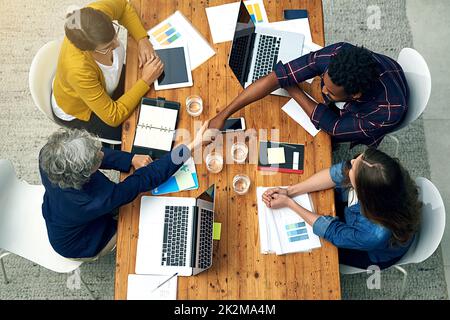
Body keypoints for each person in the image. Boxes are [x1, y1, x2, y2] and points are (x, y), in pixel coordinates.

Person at [38, 122, 208, 260]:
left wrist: (130, 158)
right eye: (98, 157)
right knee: (139, 225)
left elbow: (88, 154)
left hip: (60, 211)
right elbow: (144, 178)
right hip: (82, 241)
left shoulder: (50, 155)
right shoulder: (99, 199)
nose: (101, 154)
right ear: (86, 173)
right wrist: (190, 147)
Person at [209, 42, 409, 147]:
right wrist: (222, 115)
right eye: (324, 79)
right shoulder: (337, 54)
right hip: (360, 95)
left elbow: (333, 127)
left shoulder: (386, 112)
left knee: (321, 144)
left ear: (354, 95)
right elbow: (278, 76)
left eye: (329, 92)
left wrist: (293, 88)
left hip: (368, 116)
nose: (322, 90)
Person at [262, 148, 421, 269]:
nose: (350, 163)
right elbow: (336, 173)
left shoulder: (374, 234)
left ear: (363, 191)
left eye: (353, 168)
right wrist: (290, 191)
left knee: (310, 257)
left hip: (367, 252)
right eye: (355, 161)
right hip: (370, 217)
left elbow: (333, 231)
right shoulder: (380, 175)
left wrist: (290, 204)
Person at [51, 0, 164, 141]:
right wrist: (145, 80)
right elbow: (113, 116)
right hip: (82, 111)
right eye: (107, 47)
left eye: (114, 34)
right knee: (146, 133)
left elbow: (124, 7)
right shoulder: (78, 70)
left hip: (106, 86)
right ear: (89, 50)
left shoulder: (95, 18)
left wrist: (142, 39)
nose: (117, 44)